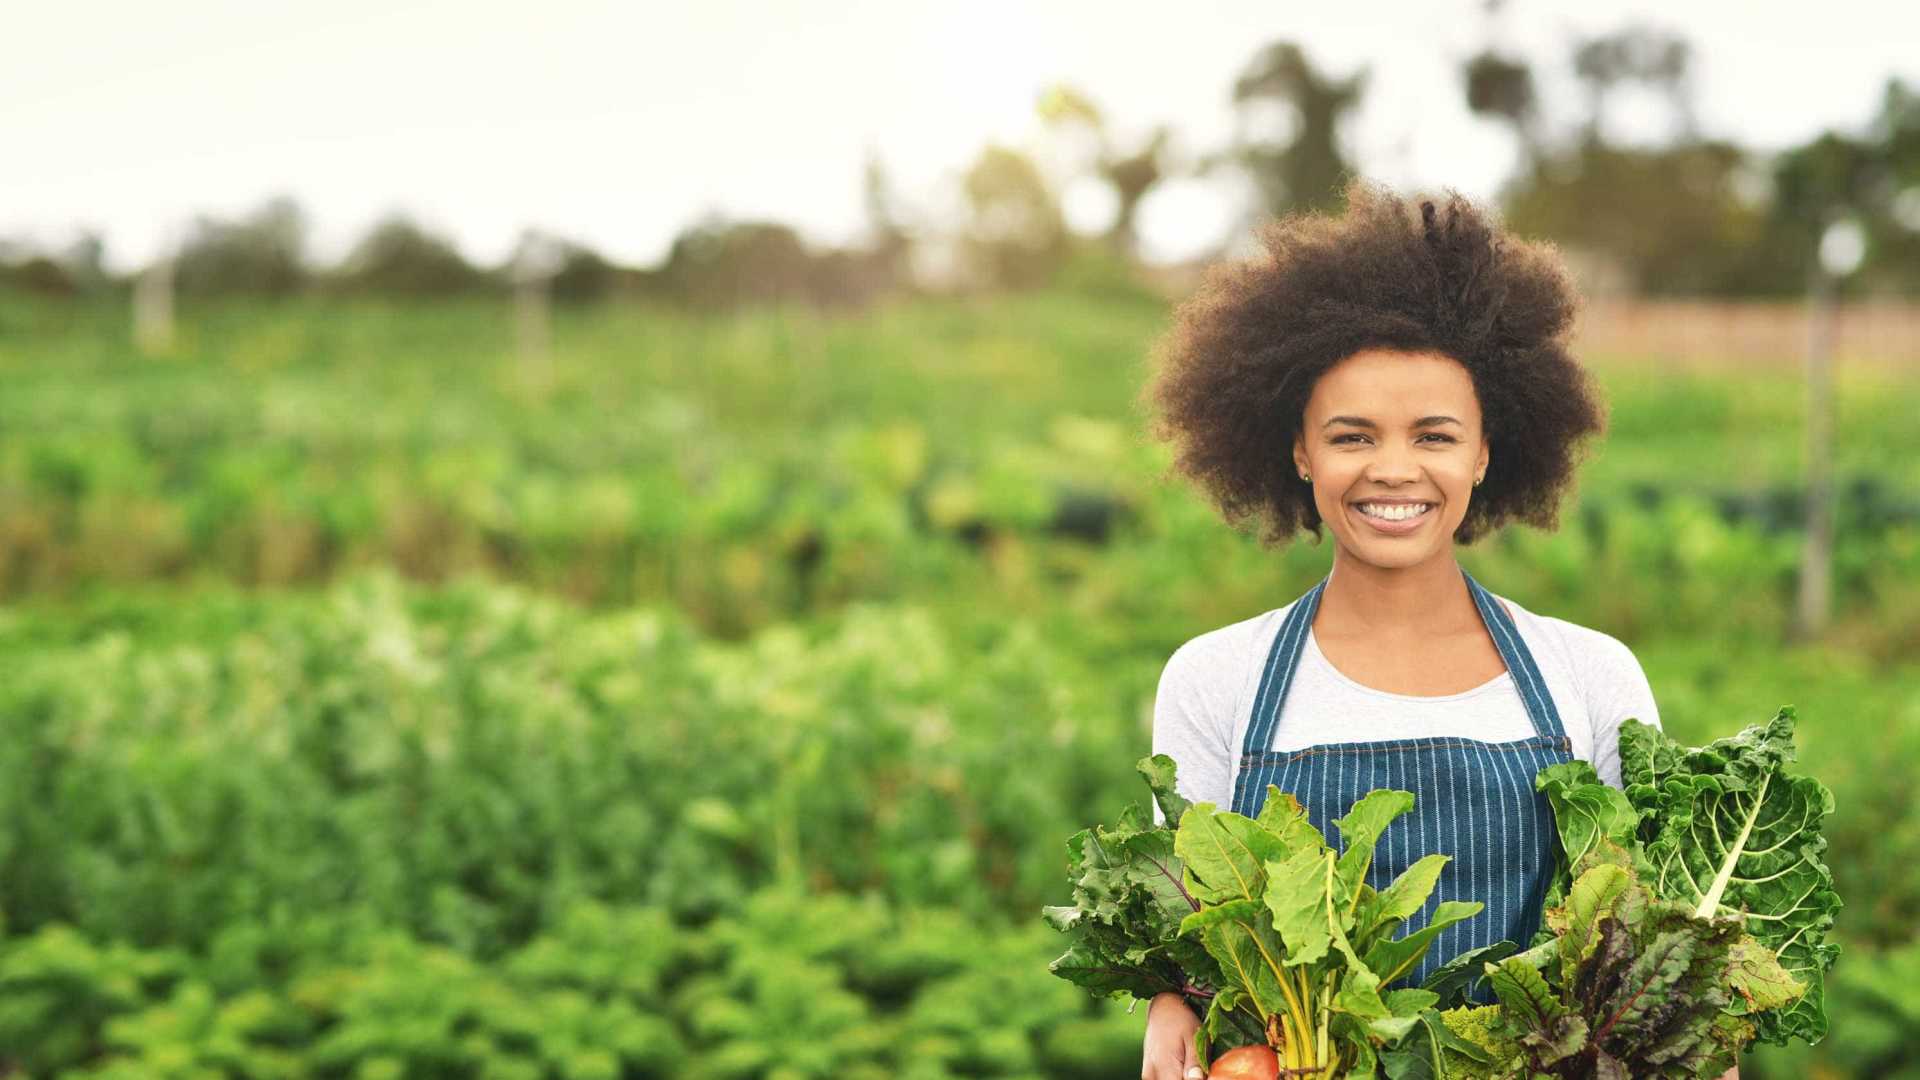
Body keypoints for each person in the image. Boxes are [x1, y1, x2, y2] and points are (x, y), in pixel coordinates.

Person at [1132, 181, 1736, 1080]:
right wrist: (1168, 1000)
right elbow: (1189, 936)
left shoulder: (1589, 674)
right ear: (1298, 451)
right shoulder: (1216, 679)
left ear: (1486, 451)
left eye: (1435, 436)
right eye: (1352, 436)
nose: (1393, 469)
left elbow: (1651, 947)